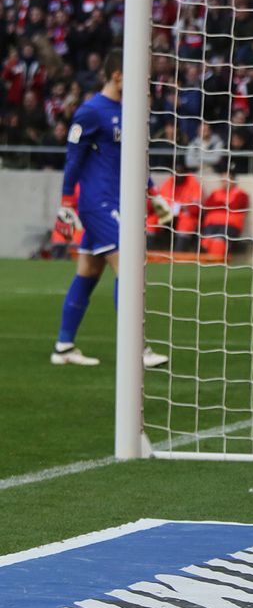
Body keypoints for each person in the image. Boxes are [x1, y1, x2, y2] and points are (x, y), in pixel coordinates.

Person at [52, 48, 171, 368]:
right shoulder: (91, 111)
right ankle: (135, 350)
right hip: (98, 203)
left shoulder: (129, 110)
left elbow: (132, 158)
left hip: (119, 201)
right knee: (130, 266)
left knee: (89, 271)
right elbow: (73, 158)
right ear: (118, 75)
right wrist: (66, 202)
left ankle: (63, 346)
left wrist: (153, 194)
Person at [146, 155, 203, 252]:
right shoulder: (170, 181)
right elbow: (162, 199)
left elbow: (196, 206)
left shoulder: (192, 182)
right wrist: (168, 206)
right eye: (176, 172)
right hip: (168, 214)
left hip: (185, 215)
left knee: (186, 223)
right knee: (151, 220)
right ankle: (149, 252)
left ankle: (178, 254)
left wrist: (183, 207)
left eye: (180, 172)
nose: (178, 175)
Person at [201, 164, 250, 258]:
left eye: (227, 180)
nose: (225, 182)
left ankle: (215, 262)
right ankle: (207, 261)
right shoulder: (215, 192)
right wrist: (225, 204)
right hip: (212, 224)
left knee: (218, 241)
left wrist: (218, 204)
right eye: (223, 180)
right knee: (206, 241)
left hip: (230, 225)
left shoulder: (241, 194)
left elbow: (235, 206)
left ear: (233, 180)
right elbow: (208, 205)